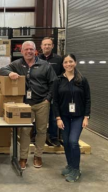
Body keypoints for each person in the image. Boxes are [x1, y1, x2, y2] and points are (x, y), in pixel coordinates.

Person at [0, 41, 56, 170]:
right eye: (26, 49)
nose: (29, 51)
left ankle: (38, 156)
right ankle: (23, 157)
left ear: (35, 51)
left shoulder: (44, 65)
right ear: (22, 51)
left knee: (41, 131)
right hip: (25, 104)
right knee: (24, 131)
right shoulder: (18, 64)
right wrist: (10, 73)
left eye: (31, 49)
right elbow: (2, 70)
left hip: (42, 103)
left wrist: (48, 99)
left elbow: (54, 83)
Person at [53, 54, 91, 182]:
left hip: (78, 116)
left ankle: (76, 169)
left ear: (75, 63)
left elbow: (87, 99)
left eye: (70, 61)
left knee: (73, 141)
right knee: (67, 142)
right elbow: (56, 101)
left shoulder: (82, 80)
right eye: (65, 62)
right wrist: (58, 118)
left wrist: (86, 117)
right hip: (63, 116)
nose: (68, 64)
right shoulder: (58, 80)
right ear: (63, 64)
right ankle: (70, 165)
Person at [39, 37, 64, 147]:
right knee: (39, 116)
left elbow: (63, 74)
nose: (47, 46)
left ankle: (53, 137)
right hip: (40, 91)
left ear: (53, 46)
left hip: (54, 91)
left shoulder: (59, 59)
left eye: (49, 44)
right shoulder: (37, 59)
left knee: (53, 117)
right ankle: (37, 135)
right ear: (41, 46)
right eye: (45, 44)